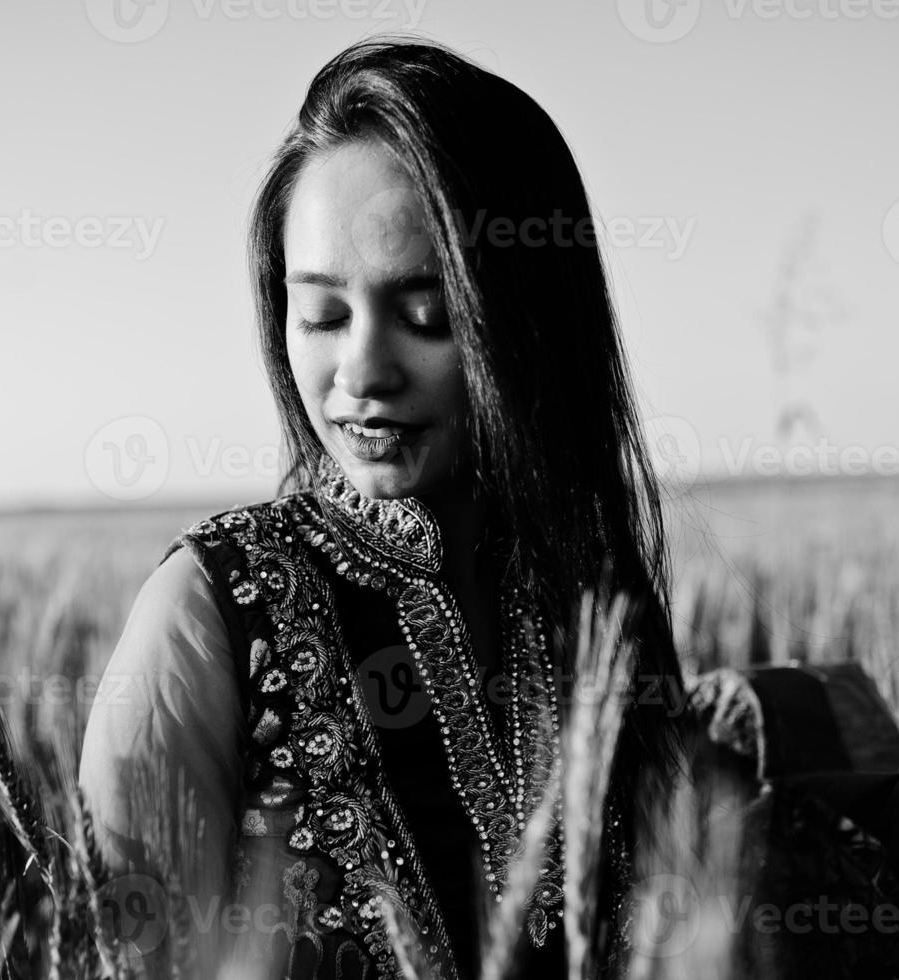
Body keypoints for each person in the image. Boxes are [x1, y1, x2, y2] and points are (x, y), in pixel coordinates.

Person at [78, 36, 687, 980]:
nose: (360, 373)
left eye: (426, 313)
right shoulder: (207, 613)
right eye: (321, 315)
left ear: (525, 317)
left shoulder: (590, 592)